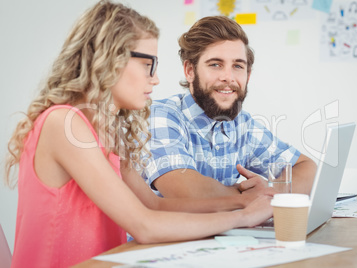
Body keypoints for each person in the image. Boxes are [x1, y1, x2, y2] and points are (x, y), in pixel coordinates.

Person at [4, 2, 272, 267]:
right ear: (111, 59)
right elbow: (144, 225)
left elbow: (154, 208)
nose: (155, 79)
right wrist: (244, 216)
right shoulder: (64, 123)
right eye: (148, 64)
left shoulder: (107, 131)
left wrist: (240, 203)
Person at [141, 16, 317, 202]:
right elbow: (187, 193)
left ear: (248, 75)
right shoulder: (160, 116)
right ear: (190, 71)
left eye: (238, 66)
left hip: (221, 230)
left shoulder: (243, 124)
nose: (229, 77)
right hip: (171, 231)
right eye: (216, 64)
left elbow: (306, 167)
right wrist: (252, 196)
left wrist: (273, 193)